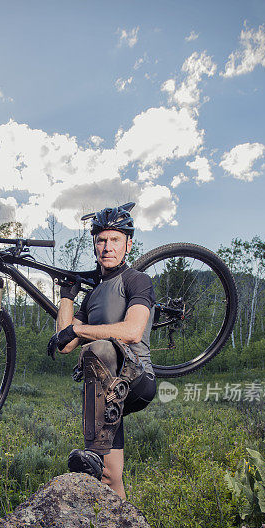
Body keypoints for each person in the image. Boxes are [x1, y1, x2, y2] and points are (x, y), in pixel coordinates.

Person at [47, 204, 156, 500]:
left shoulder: (136, 280)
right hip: (104, 395)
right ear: (95, 245)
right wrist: (67, 296)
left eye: (115, 240)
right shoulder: (92, 294)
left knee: (97, 348)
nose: (107, 247)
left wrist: (79, 330)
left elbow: (132, 330)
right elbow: (66, 343)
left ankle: (92, 453)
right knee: (109, 476)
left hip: (135, 379)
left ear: (128, 244)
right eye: (101, 240)